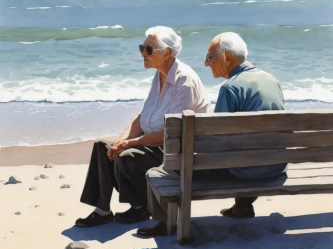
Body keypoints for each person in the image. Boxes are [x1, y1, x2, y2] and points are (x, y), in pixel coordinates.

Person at [137, 31, 288, 238]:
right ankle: (242, 207)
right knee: (248, 149)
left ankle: (166, 224)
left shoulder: (230, 88)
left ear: (227, 57)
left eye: (210, 58)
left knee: (158, 173)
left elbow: (215, 141)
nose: (207, 64)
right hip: (276, 166)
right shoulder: (272, 80)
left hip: (246, 171)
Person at [75, 26, 210, 228]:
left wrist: (132, 143)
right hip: (154, 142)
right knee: (102, 146)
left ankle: (141, 207)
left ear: (167, 53)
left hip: (174, 149)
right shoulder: (159, 75)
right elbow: (142, 117)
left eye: (148, 49)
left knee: (127, 156)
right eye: (142, 47)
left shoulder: (185, 81)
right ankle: (102, 209)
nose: (142, 53)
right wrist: (121, 141)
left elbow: (173, 132)